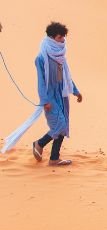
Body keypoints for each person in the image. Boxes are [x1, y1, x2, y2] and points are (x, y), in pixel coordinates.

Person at [32, 21, 83, 167]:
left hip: (62, 95)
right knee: (59, 124)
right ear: (53, 37)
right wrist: (44, 100)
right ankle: (39, 143)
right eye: (60, 37)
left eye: (64, 37)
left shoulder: (60, 55)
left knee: (63, 125)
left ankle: (54, 158)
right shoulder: (41, 58)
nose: (63, 40)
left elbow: (66, 76)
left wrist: (75, 90)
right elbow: (41, 82)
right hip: (50, 97)